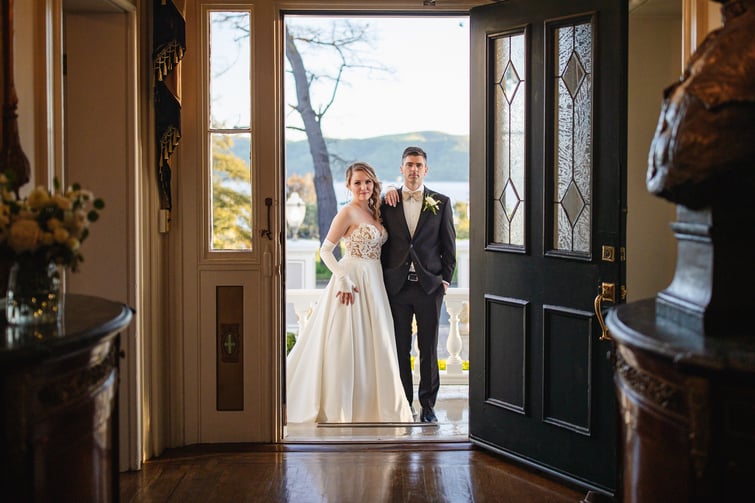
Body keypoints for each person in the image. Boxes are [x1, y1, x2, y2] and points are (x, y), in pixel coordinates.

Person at [286, 161, 413, 424]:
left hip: (375, 282)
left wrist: (390, 187)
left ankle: (375, 407)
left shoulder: (375, 211)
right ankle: (341, 407)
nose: (363, 187)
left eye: (368, 182)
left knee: (376, 342)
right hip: (351, 281)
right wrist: (342, 279)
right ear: (348, 185)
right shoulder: (347, 212)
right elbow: (325, 251)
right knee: (345, 344)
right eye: (357, 183)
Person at [381, 146, 456, 423]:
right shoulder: (387, 202)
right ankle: (404, 404)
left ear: (426, 170)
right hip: (397, 288)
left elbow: (449, 246)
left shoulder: (442, 202)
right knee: (401, 348)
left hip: (429, 288)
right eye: (409, 164)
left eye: (419, 165)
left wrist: (444, 281)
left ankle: (428, 406)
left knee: (429, 348)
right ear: (401, 169)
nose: (414, 169)